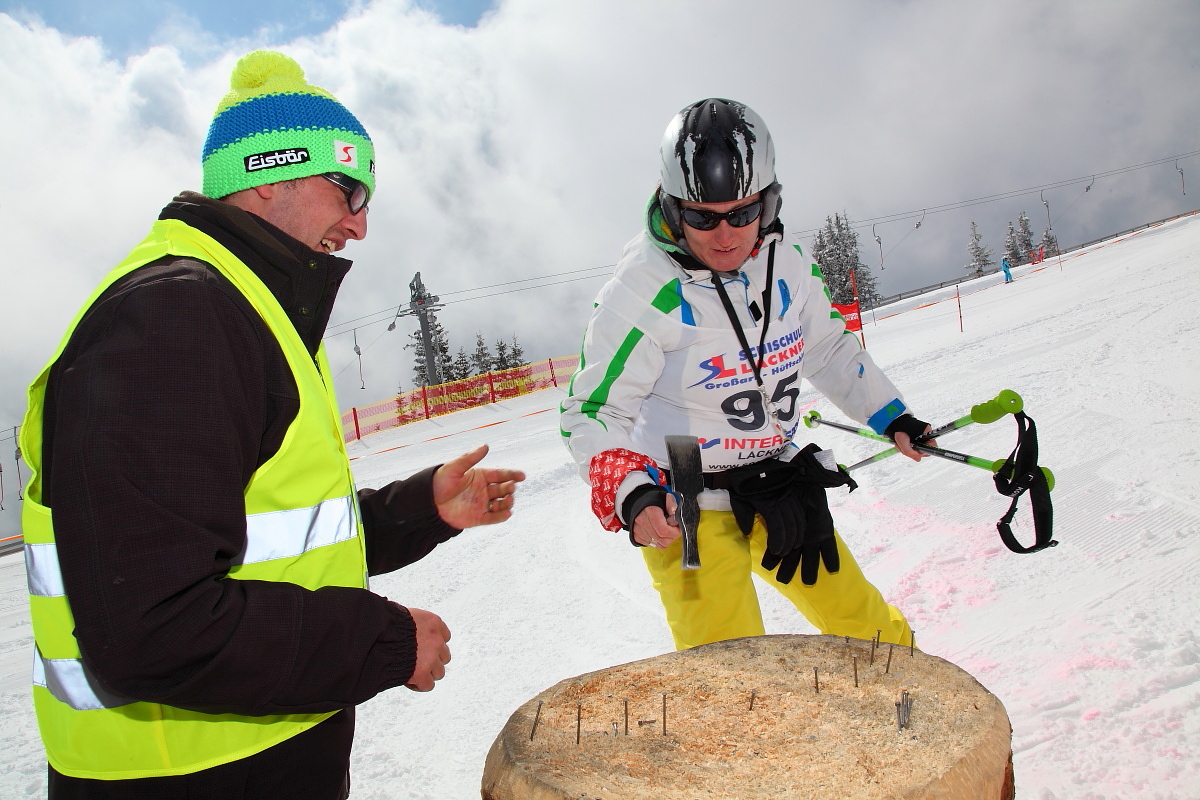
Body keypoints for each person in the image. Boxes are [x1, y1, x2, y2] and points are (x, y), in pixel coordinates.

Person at [20, 50, 524, 799]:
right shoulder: (176, 316)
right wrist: (383, 643)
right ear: (268, 174)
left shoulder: (245, 309)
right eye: (348, 188)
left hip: (246, 759)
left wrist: (422, 510)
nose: (359, 222)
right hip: (184, 774)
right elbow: (151, 627)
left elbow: (258, 540)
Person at [560, 98, 932, 653]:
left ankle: (915, 711)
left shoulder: (788, 264)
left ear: (769, 202)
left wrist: (892, 415)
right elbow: (593, 412)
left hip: (775, 482)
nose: (725, 235)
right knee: (729, 678)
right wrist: (631, 493)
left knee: (870, 632)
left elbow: (828, 349)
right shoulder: (643, 291)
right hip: (683, 507)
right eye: (701, 217)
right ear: (672, 207)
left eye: (742, 213)